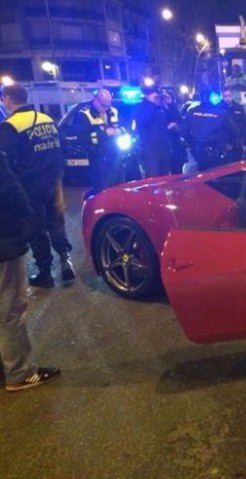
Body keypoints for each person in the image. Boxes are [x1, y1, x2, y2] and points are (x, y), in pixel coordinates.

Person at [0, 83, 74, 289]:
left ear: (7, 98)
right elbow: (62, 147)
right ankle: (66, 258)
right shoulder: (46, 119)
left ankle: (45, 272)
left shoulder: (9, 125)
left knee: (36, 227)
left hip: (30, 184)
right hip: (54, 179)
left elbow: (5, 159)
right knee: (57, 221)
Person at [0, 150, 61, 392]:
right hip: (3, 239)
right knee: (10, 306)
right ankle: (19, 372)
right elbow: (10, 190)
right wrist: (27, 214)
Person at [75, 88, 126, 191]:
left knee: (119, 190)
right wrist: (104, 134)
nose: (105, 109)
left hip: (116, 158)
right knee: (103, 192)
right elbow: (82, 138)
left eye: (108, 105)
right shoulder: (84, 114)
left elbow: (125, 128)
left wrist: (117, 131)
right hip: (98, 161)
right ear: (95, 100)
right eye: (103, 105)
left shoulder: (113, 111)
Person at [182, 90, 238, 172]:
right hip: (217, 151)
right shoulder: (221, 113)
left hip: (198, 151)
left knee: (201, 177)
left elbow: (184, 132)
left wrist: (192, 144)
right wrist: (230, 144)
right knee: (217, 177)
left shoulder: (192, 112)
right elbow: (234, 130)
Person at [132, 84, 181, 178]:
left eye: (158, 97)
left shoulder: (161, 108)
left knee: (165, 179)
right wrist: (152, 104)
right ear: (147, 96)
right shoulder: (139, 107)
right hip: (150, 151)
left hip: (165, 149)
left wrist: (171, 104)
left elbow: (177, 119)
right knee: (152, 179)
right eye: (155, 97)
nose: (157, 99)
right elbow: (144, 120)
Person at [220, 88, 246, 161]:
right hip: (224, 141)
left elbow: (244, 126)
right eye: (225, 96)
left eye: (229, 96)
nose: (227, 98)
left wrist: (245, 143)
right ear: (222, 97)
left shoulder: (239, 108)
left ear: (232, 96)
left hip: (237, 141)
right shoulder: (218, 108)